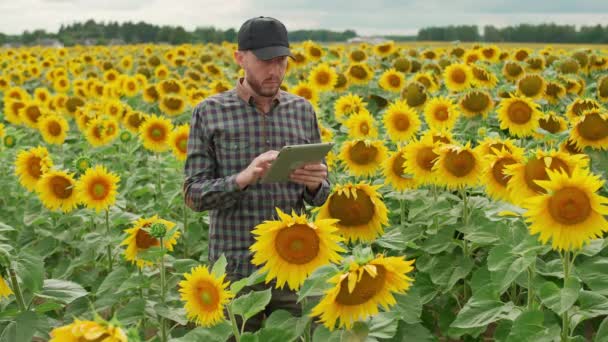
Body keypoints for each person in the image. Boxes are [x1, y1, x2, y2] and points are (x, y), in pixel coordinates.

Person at [182, 16, 330, 332]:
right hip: (236, 267)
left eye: (281, 61)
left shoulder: (302, 110)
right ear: (240, 58)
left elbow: (320, 196)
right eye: (265, 61)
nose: (275, 71)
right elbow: (193, 194)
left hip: (293, 263)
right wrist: (242, 178)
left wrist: (317, 185)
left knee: (299, 335)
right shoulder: (210, 112)